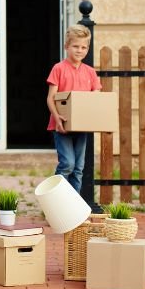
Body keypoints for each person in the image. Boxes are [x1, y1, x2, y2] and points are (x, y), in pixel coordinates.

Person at [44, 24, 102, 193]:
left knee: (78, 168)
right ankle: (55, 199)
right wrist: (57, 118)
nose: (79, 50)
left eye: (84, 47)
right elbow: (51, 98)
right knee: (67, 164)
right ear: (66, 46)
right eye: (75, 46)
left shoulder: (90, 72)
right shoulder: (59, 68)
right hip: (61, 124)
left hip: (82, 127)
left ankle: (72, 206)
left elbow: (95, 97)